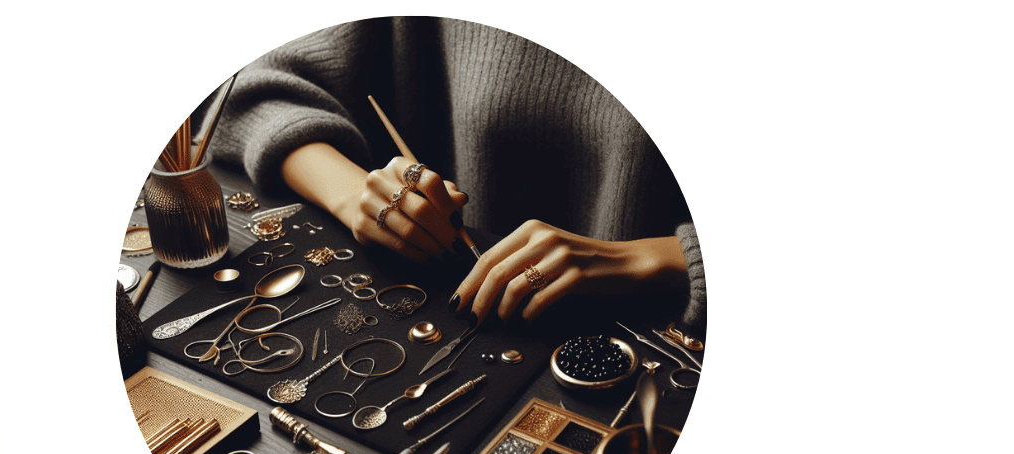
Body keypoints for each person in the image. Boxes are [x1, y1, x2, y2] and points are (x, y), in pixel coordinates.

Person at [209, 17, 705, 331]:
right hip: (466, 305)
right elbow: (243, 90)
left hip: (662, 342)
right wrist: (355, 193)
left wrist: (669, 259)